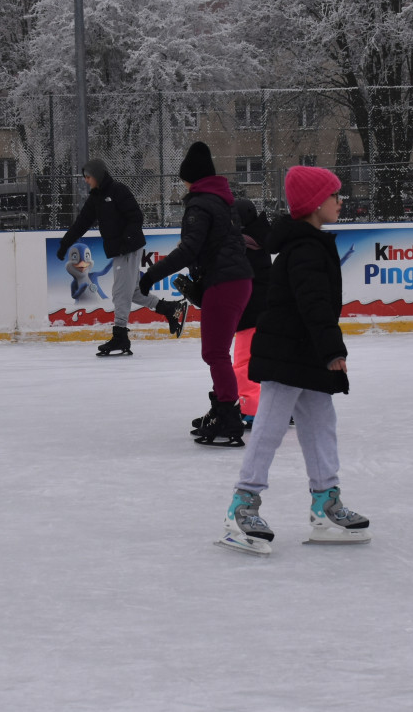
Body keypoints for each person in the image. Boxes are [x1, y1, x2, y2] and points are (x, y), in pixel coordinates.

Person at [217, 166, 370, 556]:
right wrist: (334, 350)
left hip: (305, 355)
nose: (340, 201)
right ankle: (242, 506)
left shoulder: (310, 243)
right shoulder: (304, 249)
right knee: (268, 428)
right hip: (288, 353)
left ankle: (325, 504)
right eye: (336, 195)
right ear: (317, 203)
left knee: (322, 426)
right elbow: (314, 304)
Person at [139, 142, 253, 445]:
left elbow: (189, 249)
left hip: (225, 283)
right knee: (216, 352)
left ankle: (228, 414)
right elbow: (228, 246)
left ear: (192, 178)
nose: (184, 185)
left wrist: (152, 275)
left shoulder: (200, 205)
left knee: (214, 352)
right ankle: (223, 407)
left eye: (184, 180)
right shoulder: (224, 202)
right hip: (238, 282)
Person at [56, 158, 187, 356]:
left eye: (88, 177)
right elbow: (81, 223)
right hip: (120, 250)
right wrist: (65, 244)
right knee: (132, 292)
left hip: (128, 248)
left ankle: (120, 336)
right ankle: (170, 309)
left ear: (98, 175)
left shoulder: (118, 191)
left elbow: (136, 216)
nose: (86, 180)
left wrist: (126, 239)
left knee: (120, 293)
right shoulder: (96, 198)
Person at [232, 198, 272, 428]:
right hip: (266, 313)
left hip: (251, 314)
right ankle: (279, 406)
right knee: (268, 361)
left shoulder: (244, 246)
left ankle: (251, 409)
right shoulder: (259, 240)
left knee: (244, 363)